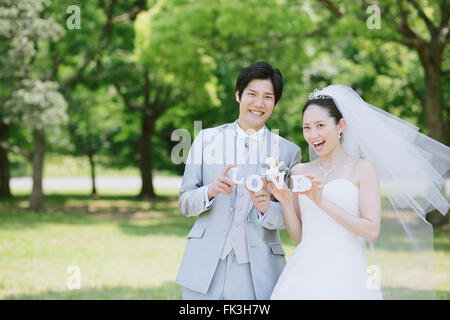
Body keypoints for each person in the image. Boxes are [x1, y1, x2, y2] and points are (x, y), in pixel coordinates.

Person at [269, 85, 449, 300]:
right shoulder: (299, 171)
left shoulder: (362, 169)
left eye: (320, 125)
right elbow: (298, 236)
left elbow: (371, 230)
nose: (312, 135)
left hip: (347, 272)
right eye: (306, 127)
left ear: (340, 125)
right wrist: (287, 202)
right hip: (304, 272)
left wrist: (322, 202)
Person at [176, 62, 301, 300]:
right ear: (238, 95)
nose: (258, 103)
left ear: (275, 103)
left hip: (258, 269)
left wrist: (267, 207)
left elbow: (291, 217)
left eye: (267, 97)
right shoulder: (206, 139)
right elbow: (184, 201)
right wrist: (209, 192)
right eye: (252, 94)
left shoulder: (288, 152)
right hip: (204, 266)